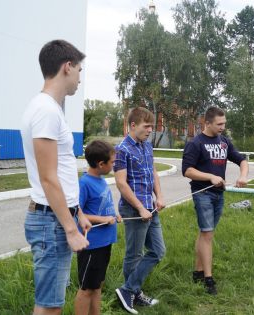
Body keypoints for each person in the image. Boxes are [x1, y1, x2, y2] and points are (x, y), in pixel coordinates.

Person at [20, 39, 91, 315]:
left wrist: (78, 212)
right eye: (79, 71)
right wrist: (70, 229)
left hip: (57, 216)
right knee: (49, 307)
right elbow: (48, 178)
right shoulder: (46, 110)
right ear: (67, 67)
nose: (80, 79)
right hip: (51, 222)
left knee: (53, 303)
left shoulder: (50, 109)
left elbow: (61, 173)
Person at [182, 106, 249, 295]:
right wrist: (210, 176)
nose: (223, 127)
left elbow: (242, 160)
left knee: (205, 234)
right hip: (202, 193)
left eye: (224, 123)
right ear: (207, 123)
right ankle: (208, 279)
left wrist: (243, 176)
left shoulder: (224, 142)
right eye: (219, 124)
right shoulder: (196, 143)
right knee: (207, 234)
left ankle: (197, 272)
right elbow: (187, 170)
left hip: (219, 194)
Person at [114, 107, 165, 314]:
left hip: (150, 207)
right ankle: (131, 292)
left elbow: (152, 172)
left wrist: (159, 197)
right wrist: (140, 207)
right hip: (134, 209)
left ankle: (129, 290)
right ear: (132, 125)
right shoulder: (122, 149)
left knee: (158, 251)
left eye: (152, 126)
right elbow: (121, 183)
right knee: (134, 254)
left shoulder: (147, 146)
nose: (150, 130)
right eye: (147, 126)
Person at [74, 140, 122, 315]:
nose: (114, 164)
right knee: (86, 289)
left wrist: (114, 216)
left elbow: (102, 207)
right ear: (101, 164)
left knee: (97, 285)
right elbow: (78, 213)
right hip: (91, 245)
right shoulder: (84, 183)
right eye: (112, 162)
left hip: (104, 243)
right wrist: (102, 218)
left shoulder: (101, 180)